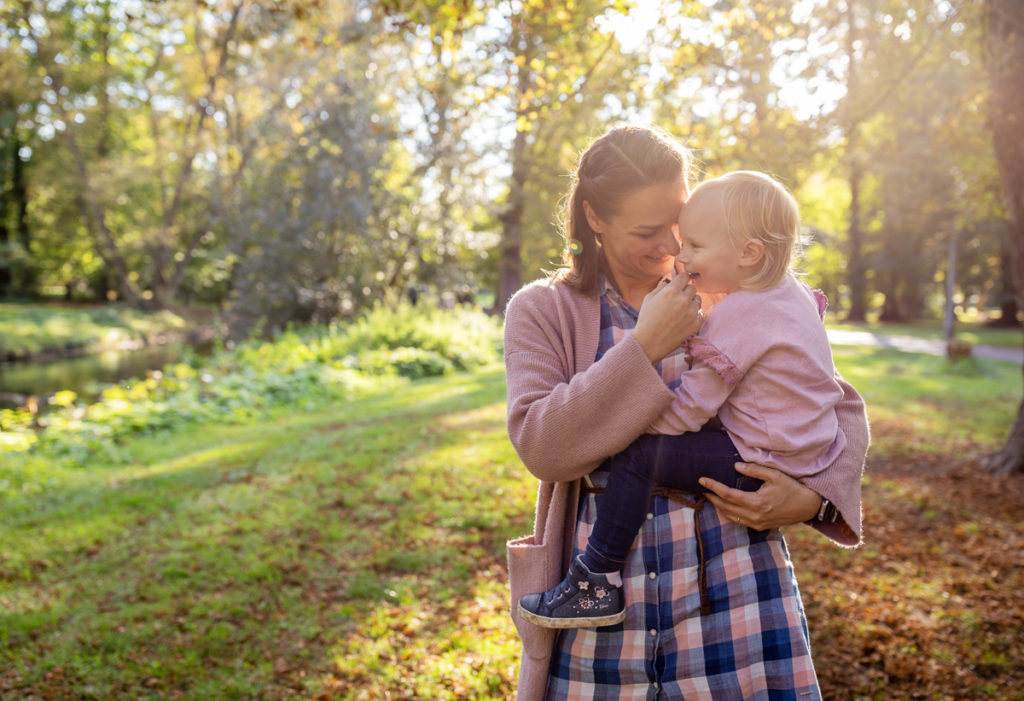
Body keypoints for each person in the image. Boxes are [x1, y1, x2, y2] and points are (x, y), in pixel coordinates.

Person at [504, 126, 869, 699]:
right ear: (596, 218)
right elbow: (542, 446)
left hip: (735, 598)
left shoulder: (731, 289)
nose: (670, 246)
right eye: (647, 231)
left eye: (676, 224)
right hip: (601, 629)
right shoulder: (545, 311)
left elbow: (833, 400)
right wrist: (643, 347)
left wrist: (814, 496)